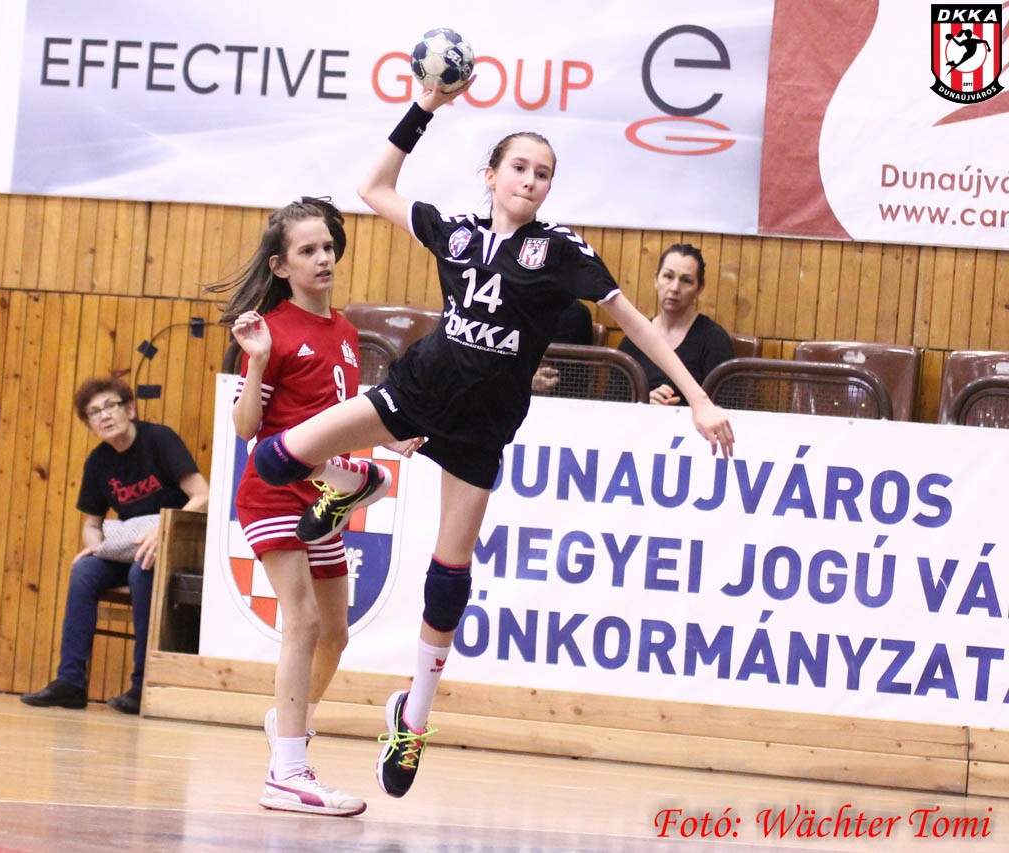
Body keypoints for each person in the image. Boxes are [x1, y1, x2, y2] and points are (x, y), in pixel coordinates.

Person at [246, 83, 735, 799]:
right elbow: (372, 187)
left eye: (544, 174)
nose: (531, 181)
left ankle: (412, 714)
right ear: (492, 175)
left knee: (450, 577)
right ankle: (350, 483)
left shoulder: (560, 250)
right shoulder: (457, 233)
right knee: (273, 458)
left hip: (482, 425)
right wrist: (425, 105)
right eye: (520, 168)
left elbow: (633, 321)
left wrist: (699, 398)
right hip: (418, 392)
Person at [207, 197, 412, 817]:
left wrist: (391, 436)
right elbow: (247, 427)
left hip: (322, 495)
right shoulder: (270, 332)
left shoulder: (345, 332)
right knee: (301, 622)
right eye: (307, 250)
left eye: (327, 247)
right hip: (272, 491)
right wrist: (257, 361)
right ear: (281, 265)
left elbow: (338, 417)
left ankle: (288, 723)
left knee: (334, 634)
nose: (323, 258)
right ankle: (288, 772)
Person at [20, 377, 208, 715]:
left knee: (141, 571)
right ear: (89, 426)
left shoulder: (159, 439)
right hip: (128, 548)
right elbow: (92, 524)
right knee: (84, 571)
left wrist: (163, 530)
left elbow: (203, 496)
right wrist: (95, 547)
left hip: (172, 547)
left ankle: (141, 685)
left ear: (130, 409)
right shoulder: (98, 462)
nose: (104, 415)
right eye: (94, 413)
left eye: (110, 406)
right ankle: (71, 682)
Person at [617, 244, 733, 406]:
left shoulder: (714, 339)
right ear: (656, 279)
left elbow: (727, 405)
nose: (674, 288)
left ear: (699, 288)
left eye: (686, 281)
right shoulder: (635, 336)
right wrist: (643, 402)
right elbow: (611, 400)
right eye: (668, 276)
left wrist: (680, 409)